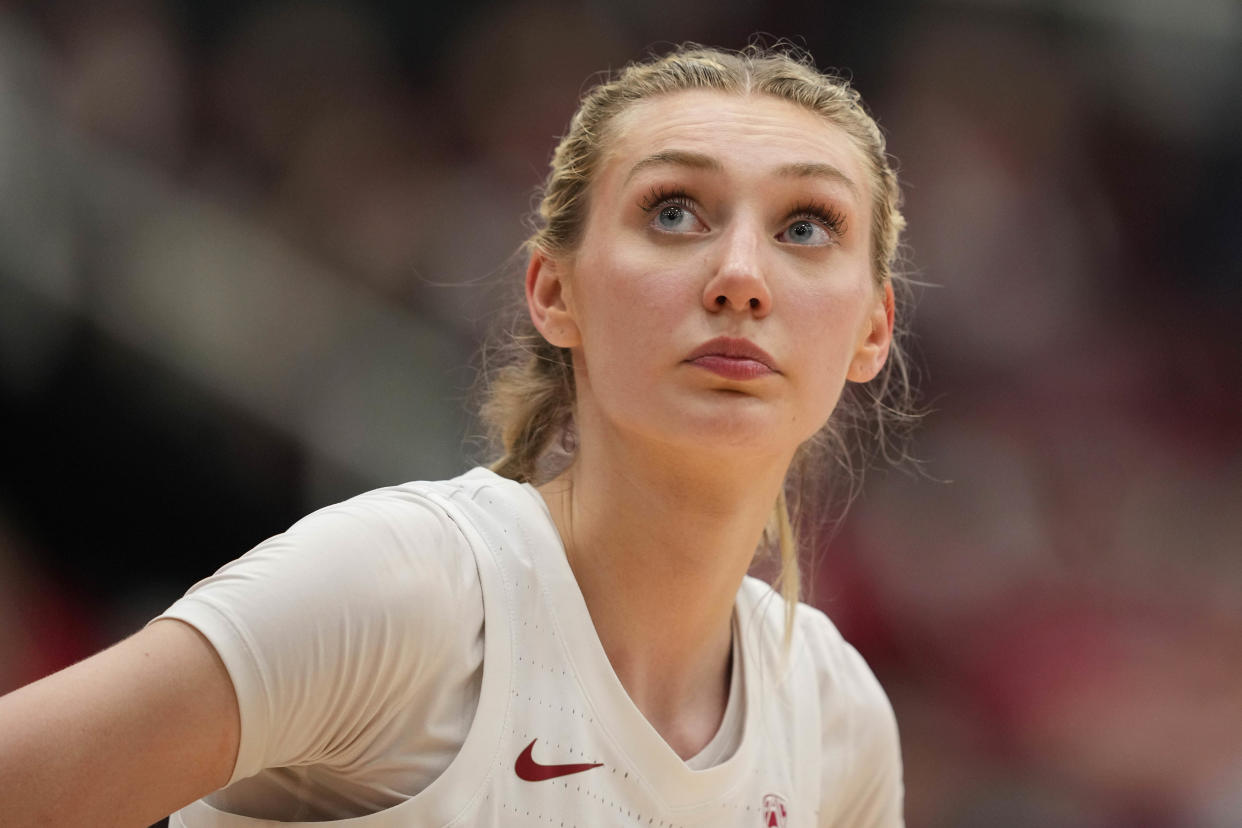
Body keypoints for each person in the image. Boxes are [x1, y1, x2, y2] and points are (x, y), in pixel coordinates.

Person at [0, 43, 915, 826]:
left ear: (872, 329)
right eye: (673, 211)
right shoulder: (406, 593)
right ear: (555, 293)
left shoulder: (836, 720)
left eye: (807, 225)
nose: (740, 276)